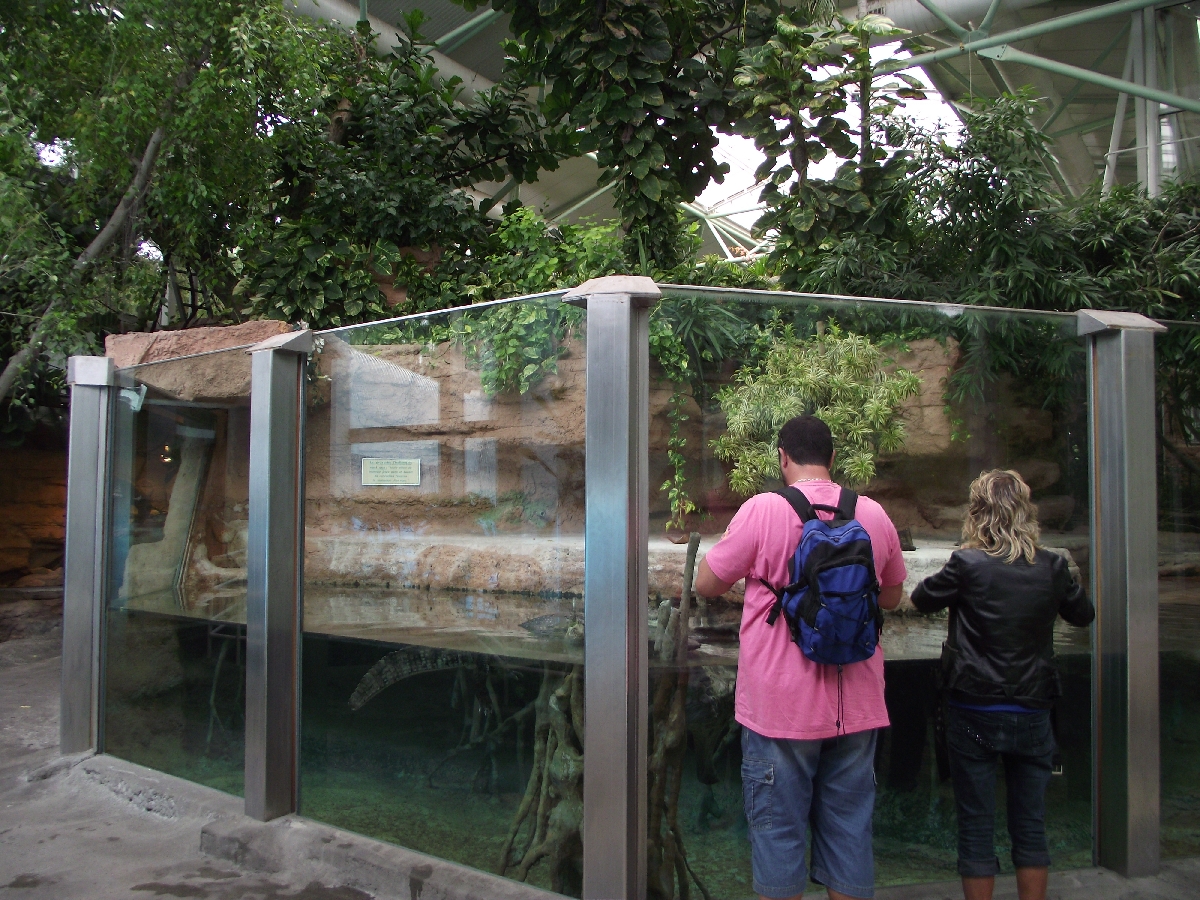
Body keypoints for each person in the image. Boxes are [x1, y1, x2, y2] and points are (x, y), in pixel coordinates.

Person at [695, 415, 907, 900]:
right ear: (833, 459)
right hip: (855, 709)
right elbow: (892, 597)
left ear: (782, 458)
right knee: (851, 838)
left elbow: (707, 583)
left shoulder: (762, 510)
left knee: (778, 839)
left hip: (778, 712)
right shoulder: (872, 514)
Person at [910, 470, 1095, 900]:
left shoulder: (967, 564)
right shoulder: (1051, 566)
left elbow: (920, 600)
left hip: (973, 709)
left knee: (976, 826)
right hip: (1033, 710)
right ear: (1026, 513)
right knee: (1030, 826)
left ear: (977, 514)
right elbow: (1083, 614)